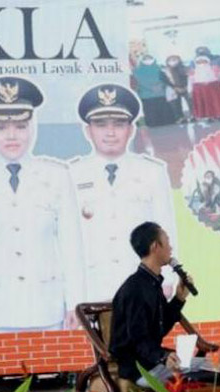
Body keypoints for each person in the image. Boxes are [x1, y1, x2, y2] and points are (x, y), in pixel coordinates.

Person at [0, 76, 85, 334]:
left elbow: (71, 245)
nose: (11, 136)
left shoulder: (57, 175)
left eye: (21, 126)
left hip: (46, 308)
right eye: (1, 128)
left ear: (32, 128)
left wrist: (76, 303)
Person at [69, 84, 178, 302]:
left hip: (141, 282)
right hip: (92, 284)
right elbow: (68, 239)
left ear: (131, 129)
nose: (110, 133)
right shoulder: (72, 174)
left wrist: (167, 278)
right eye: (101, 125)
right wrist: (72, 294)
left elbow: (165, 228)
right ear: (88, 131)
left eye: (119, 124)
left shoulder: (152, 172)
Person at [110, 222, 194, 386]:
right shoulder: (135, 288)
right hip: (138, 368)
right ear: (155, 246)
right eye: (167, 242)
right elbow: (138, 339)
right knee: (194, 378)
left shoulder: (152, 283)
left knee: (205, 369)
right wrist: (163, 357)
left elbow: (160, 329)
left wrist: (179, 298)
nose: (171, 248)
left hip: (151, 362)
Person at [132, 55, 176, 127]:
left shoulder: (160, 68)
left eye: (149, 58)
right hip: (147, 97)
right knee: (153, 121)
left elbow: (167, 80)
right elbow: (136, 84)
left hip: (160, 96)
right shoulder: (136, 71)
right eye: (146, 59)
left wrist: (162, 86)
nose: (148, 60)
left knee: (166, 121)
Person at [189, 52, 220, 121]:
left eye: (203, 61)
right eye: (199, 62)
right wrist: (190, 90)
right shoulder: (193, 71)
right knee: (205, 104)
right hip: (200, 90)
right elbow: (190, 81)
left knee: (216, 102)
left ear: (207, 61)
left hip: (214, 88)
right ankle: (209, 117)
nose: (202, 63)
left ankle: (219, 115)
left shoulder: (214, 68)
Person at [162, 54, 193, 123]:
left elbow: (188, 78)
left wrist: (185, 87)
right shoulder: (165, 70)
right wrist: (175, 87)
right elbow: (165, 80)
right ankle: (180, 118)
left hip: (185, 88)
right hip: (174, 89)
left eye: (174, 60)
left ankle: (193, 116)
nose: (172, 62)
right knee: (176, 104)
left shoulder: (185, 68)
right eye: (170, 60)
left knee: (190, 102)